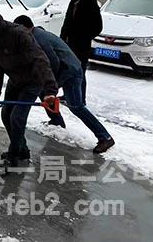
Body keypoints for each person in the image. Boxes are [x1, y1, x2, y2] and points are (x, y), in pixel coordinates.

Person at [14, 15, 115, 154]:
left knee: (76, 106)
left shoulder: (38, 39)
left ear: (24, 28)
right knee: (43, 92)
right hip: (66, 69)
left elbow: (53, 62)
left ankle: (105, 137)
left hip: (71, 72)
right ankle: (57, 121)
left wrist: (51, 86)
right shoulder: (37, 33)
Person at [0, 6, 58, 167]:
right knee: (6, 115)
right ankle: (22, 149)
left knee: (17, 118)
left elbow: (40, 59)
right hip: (15, 80)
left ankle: (13, 155)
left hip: (33, 81)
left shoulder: (19, 34)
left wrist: (50, 90)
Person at [60, 0, 103, 104]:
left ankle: (80, 98)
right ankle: (68, 94)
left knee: (79, 71)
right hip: (68, 43)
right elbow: (67, 21)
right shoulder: (73, 1)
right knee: (68, 70)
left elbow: (98, 27)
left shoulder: (90, 3)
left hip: (81, 45)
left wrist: (84, 36)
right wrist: (63, 37)